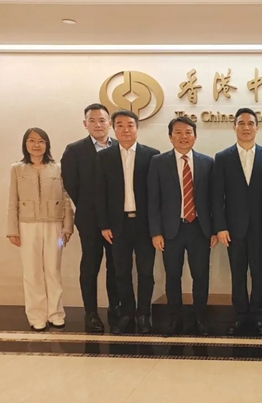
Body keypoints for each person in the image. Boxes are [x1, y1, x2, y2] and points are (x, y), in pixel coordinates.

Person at [148, 116, 217, 336]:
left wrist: (214, 230)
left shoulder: (207, 162)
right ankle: (174, 319)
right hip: (171, 229)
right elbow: (153, 199)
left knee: (201, 276)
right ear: (170, 137)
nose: (183, 137)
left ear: (195, 137)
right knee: (172, 276)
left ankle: (200, 318)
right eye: (178, 132)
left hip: (199, 228)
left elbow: (214, 200)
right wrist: (156, 232)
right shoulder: (158, 162)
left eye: (188, 132)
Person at [212, 108, 262, 336]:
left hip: (260, 229)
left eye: (250, 123)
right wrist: (220, 227)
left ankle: (258, 317)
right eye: (241, 123)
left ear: (257, 127)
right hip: (233, 229)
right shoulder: (223, 157)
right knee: (237, 275)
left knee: (259, 274)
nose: (246, 127)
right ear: (234, 127)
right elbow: (217, 195)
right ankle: (239, 316)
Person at [96, 110, 159, 334]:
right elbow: (100, 194)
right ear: (113, 128)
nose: (125, 129)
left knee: (145, 272)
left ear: (137, 128)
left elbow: (157, 194)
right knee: (121, 272)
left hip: (144, 225)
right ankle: (127, 313)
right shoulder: (104, 157)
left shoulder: (152, 156)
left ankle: (144, 314)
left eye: (130, 125)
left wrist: (156, 227)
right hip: (117, 225)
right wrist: (104, 224)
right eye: (120, 125)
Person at [6, 128, 74, 331]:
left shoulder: (58, 168)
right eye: (32, 141)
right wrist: (12, 229)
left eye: (41, 141)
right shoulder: (17, 169)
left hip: (55, 226)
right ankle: (36, 316)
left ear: (47, 144)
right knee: (32, 271)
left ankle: (56, 313)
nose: (36, 145)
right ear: (25, 144)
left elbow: (66, 199)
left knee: (53, 270)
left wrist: (68, 226)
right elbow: (12, 201)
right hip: (27, 226)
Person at [61, 103, 120, 333]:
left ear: (109, 123)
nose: (98, 124)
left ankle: (116, 309)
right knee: (90, 265)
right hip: (89, 219)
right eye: (92, 120)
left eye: (102, 120)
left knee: (116, 266)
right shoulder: (74, 150)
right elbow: (71, 185)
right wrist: (91, 208)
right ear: (85, 124)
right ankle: (91, 313)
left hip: (116, 219)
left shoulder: (120, 147)